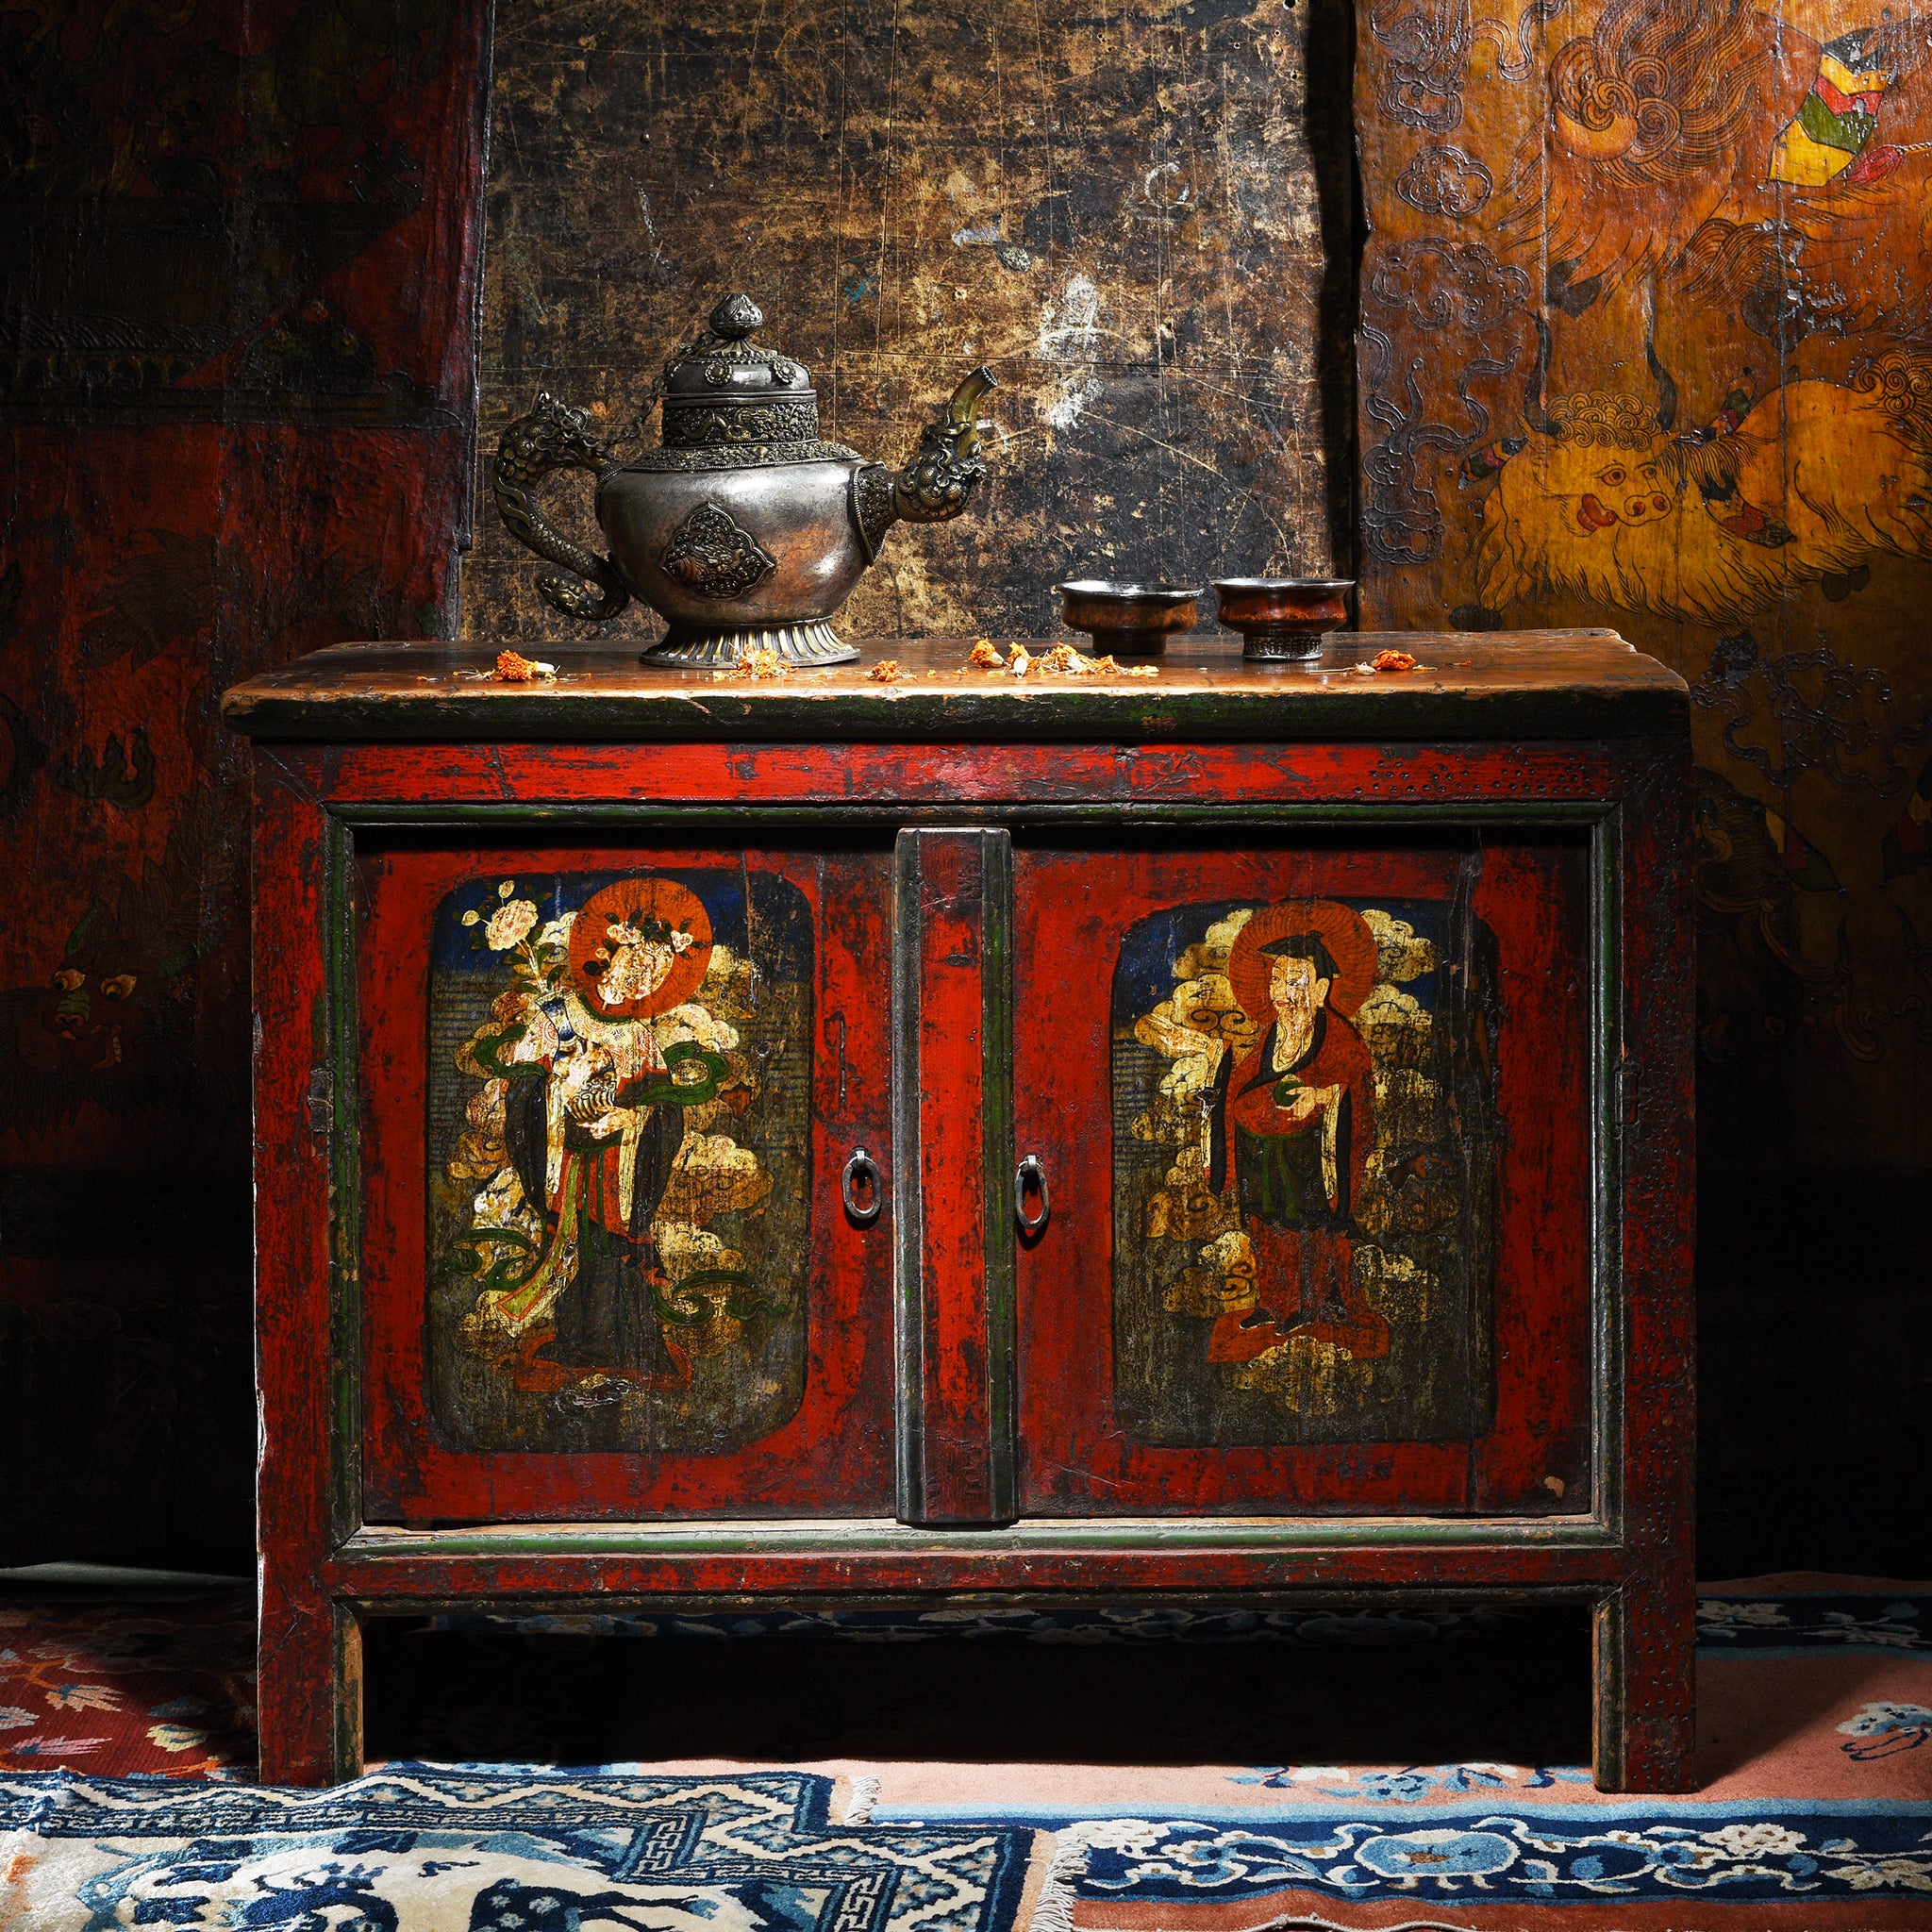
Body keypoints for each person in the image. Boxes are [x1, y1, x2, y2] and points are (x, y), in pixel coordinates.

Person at [1205, 903, 1390, 1364]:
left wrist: (1321, 1097)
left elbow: (1355, 1092)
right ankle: (1273, 1301)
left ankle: (1309, 1304)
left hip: (1312, 1154)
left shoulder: (1341, 1038)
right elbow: (1245, 1086)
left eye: (1294, 982)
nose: (1283, 994)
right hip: (1263, 1152)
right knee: (1265, 1223)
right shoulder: (1270, 1036)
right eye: (1276, 981)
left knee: (1305, 1226)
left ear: (1322, 988)